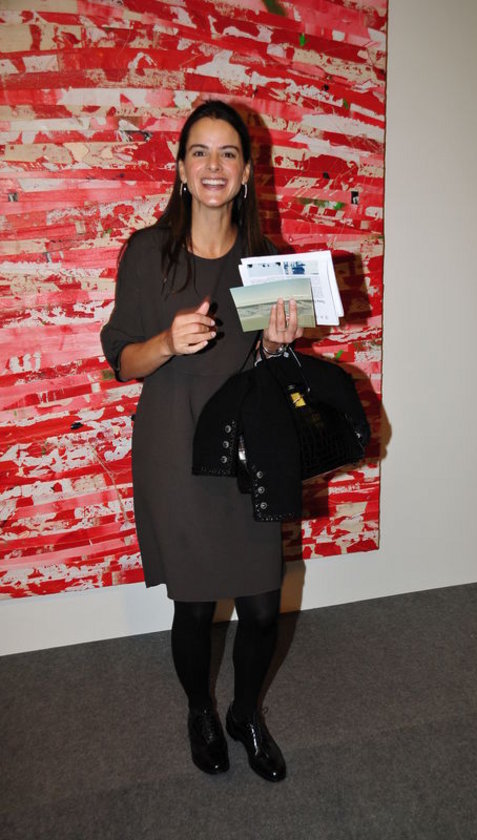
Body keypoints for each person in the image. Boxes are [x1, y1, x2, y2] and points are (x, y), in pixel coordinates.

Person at [100, 100, 303, 782]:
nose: (213, 165)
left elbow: (272, 371)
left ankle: (245, 712)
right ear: (182, 169)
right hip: (175, 446)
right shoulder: (147, 253)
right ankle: (199, 710)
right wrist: (165, 341)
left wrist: (276, 345)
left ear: (245, 173)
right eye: (199, 152)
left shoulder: (267, 261)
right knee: (193, 605)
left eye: (228, 153)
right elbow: (122, 359)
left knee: (263, 607)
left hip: (247, 452)